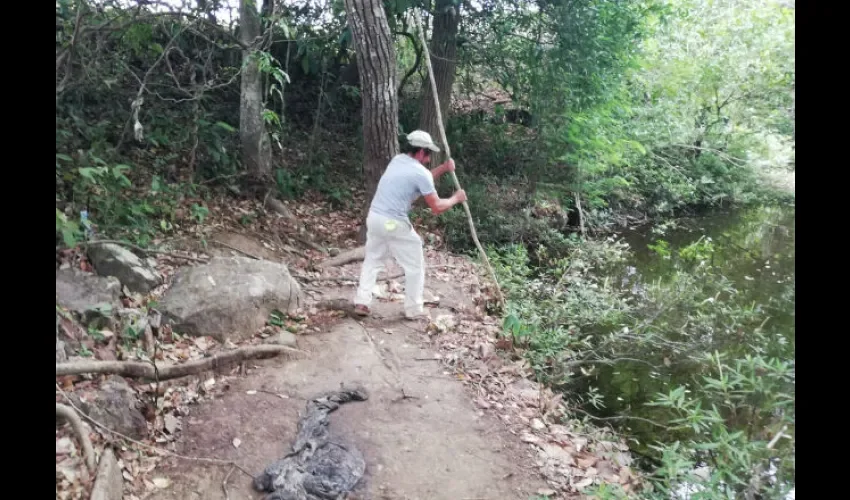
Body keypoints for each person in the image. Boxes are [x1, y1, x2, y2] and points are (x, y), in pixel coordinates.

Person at [353, 130, 467, 319]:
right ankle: (413, 308)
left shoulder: (398, 160)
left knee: (373, 259)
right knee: (415, 264)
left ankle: (362, 301)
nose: (429, 158)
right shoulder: (419, 172)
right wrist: (456, 198)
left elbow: (422, 178)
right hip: (392, 223)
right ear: (421, 152)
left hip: (374, 218)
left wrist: (444, 168)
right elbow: (437, 207)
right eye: (428, 153)